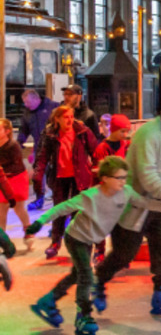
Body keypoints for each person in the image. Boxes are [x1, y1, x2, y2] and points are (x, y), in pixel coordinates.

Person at [28, 157, 161, 335]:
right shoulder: (90, 196)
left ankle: (48, 302)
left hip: (90, 239)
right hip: (76, 238)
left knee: (77, 274)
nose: (123, 182)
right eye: (118, 178)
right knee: (86, 276)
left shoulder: (127, 192)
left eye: (125, 177)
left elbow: (144, 203)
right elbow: (61, 208)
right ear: (105, 178)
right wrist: (39, 223)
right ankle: (83, 316)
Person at [92, 100, 161, 316]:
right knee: (124, 254)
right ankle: (98, 281)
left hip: (157, 204)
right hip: (134, 204)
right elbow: (147, 174)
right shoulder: (149, 134)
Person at [34, 106, 100, 259]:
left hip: (79, 177)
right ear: (57, 119)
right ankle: (55, 243)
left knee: (78, 211)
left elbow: (95, 152)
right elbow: (43, 156)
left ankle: (80, 244)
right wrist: (38, 174)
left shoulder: (82, 131)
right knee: (59, 210)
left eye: (71, 116)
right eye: (65, 117)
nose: (69, 120)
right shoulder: (50, 134)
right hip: (59, 177)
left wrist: (97, 169)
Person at [87, 114, 131, 265]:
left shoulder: (126, 145)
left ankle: (120, 253)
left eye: (127, 132)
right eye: (122, 131)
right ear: (113, 130)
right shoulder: (102, 148)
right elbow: (99, 171)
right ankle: (99, 251)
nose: (125, 135)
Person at [20, 89, 60, 210]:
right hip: (40, 148)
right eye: (24, 103)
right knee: (38, 176)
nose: (26, 105)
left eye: (28, 102)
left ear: (36, 99)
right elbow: (23, 129)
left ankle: (59, 198)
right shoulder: (27, 113)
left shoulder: (53, 107)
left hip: (55, 147)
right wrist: (19, 143)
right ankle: (39, 199)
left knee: (53, 176)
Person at [0, 119, 34, 251]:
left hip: (16, 178)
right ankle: (3, 239)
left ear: (7, 131)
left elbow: (15, 164)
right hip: (3, 179)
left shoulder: (13, 145)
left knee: (18, 207)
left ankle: (28, 231)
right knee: (1, 210)